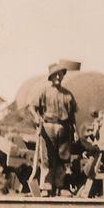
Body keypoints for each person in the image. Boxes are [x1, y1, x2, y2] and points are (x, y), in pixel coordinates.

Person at [30, 62, 78, 197]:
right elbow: (32, 107)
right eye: (55, 75)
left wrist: (75, 132)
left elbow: (73, 115)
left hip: (64, 128)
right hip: (47, 127)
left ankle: (60, 186)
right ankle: (46, 186)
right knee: (47, 158)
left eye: (60, 74)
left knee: (63, 158)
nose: (58, 76)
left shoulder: (68, 95)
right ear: (50, 78)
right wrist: (36, 117)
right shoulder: (44, 91)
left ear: (63, 76)